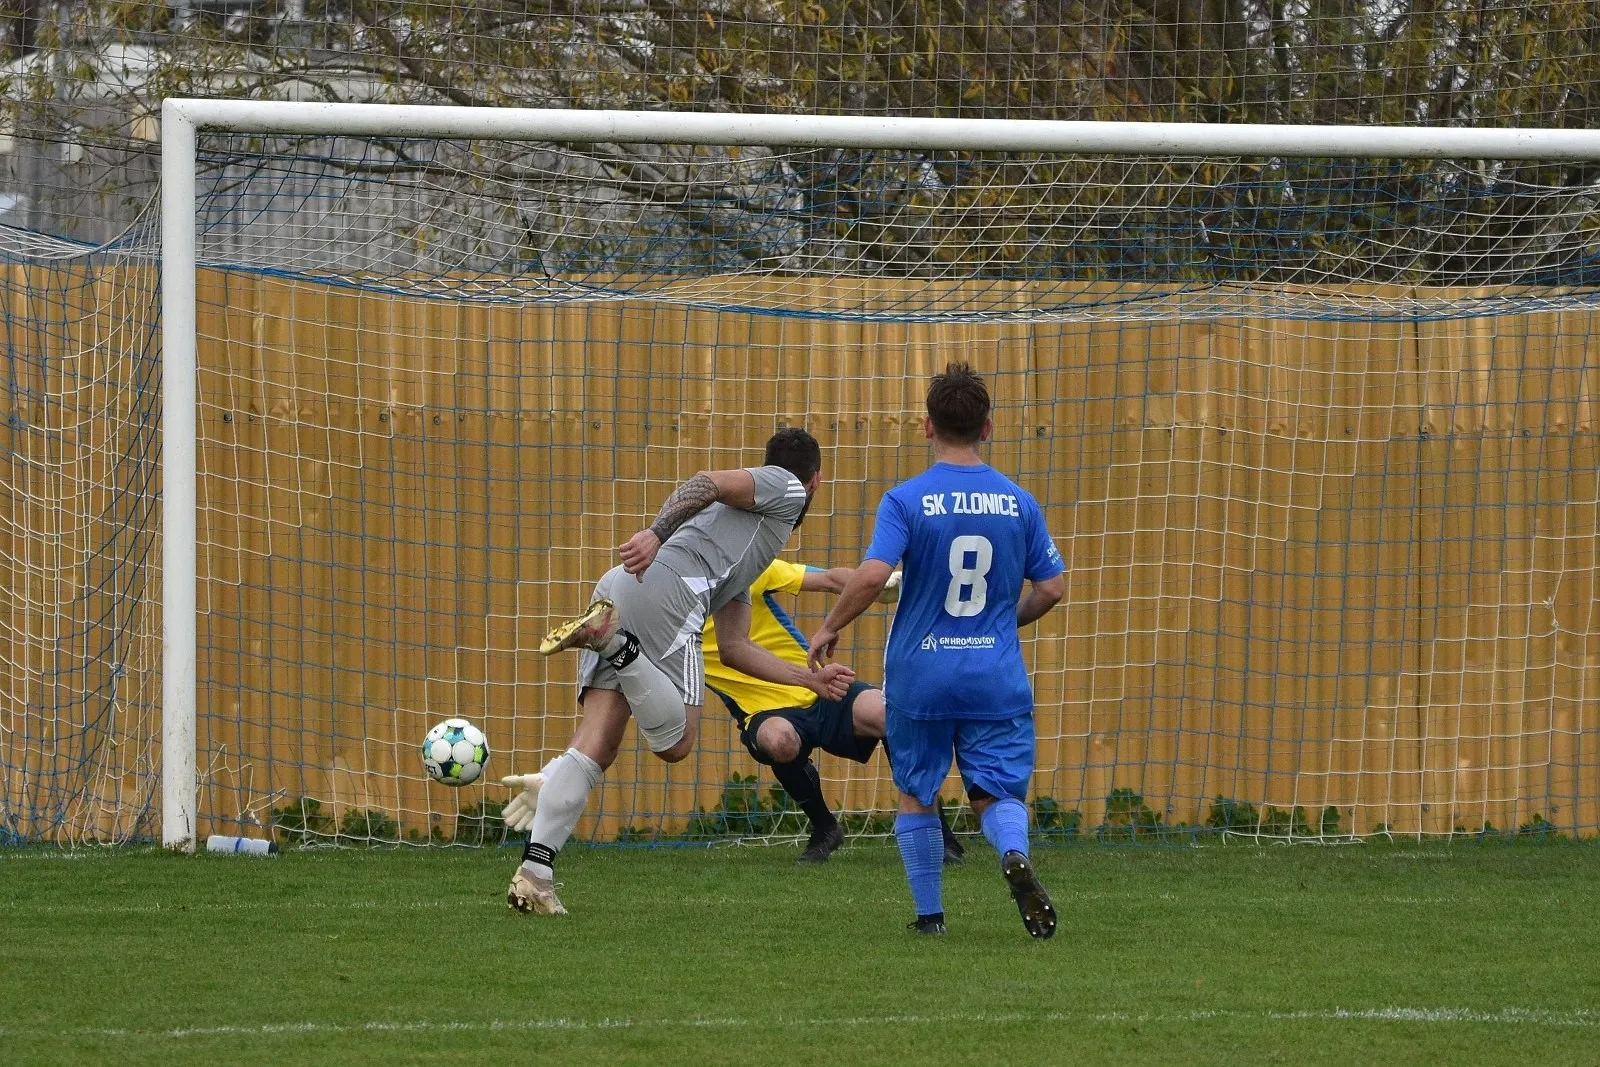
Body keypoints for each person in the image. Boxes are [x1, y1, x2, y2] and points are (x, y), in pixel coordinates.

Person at [504, 427, 853, 915]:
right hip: (669, 594)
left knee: (596, 745)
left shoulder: (748, 545)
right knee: (677, 742)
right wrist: (654, 533)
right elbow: (707, 481)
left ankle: (535, 876)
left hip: (619, 588)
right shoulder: (788, 487)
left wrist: (809, 680)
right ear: (816, 480)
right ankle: (613, 643)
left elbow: (734, 648)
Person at [808, 362, 1066, 938]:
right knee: (996, 791)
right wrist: (1001, 624)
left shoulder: (905, 500)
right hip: (993, 673)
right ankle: (1012, 852)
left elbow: (874, 574)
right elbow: (1051, 587)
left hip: (921, 673)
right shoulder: (1019, 502)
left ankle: (930, 917)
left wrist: (829, 625)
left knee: (916, 791)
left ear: (927, 426)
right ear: (988, 427)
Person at [703, 559, 965, 865]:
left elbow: (828, 578)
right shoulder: (673, 617)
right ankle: (825, 828)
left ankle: (938, 833)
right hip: (761, 711)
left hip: (821, 686)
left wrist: (881, 586)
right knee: (779, 741)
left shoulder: (745, 569)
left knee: (890, 716)